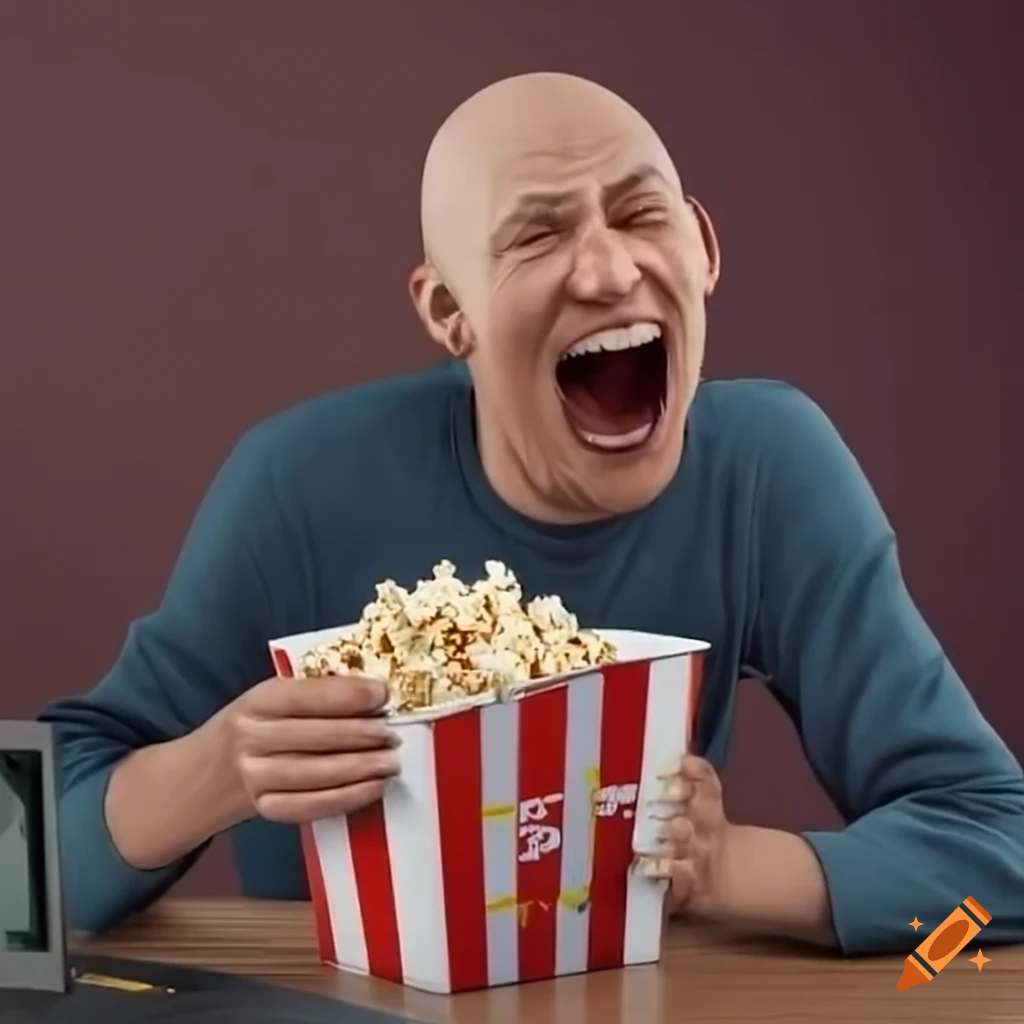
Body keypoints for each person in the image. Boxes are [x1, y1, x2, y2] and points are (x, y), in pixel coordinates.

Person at [40, 72, 1024, 953]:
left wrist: (728, 871)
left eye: (640, 214)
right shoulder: (298, 486)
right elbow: (24, 868)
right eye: (538, 234)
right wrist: (215, 768)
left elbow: (1001, 849)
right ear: (447, 313)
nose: (607, 271)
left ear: (704, 247)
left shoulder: (767, 472)